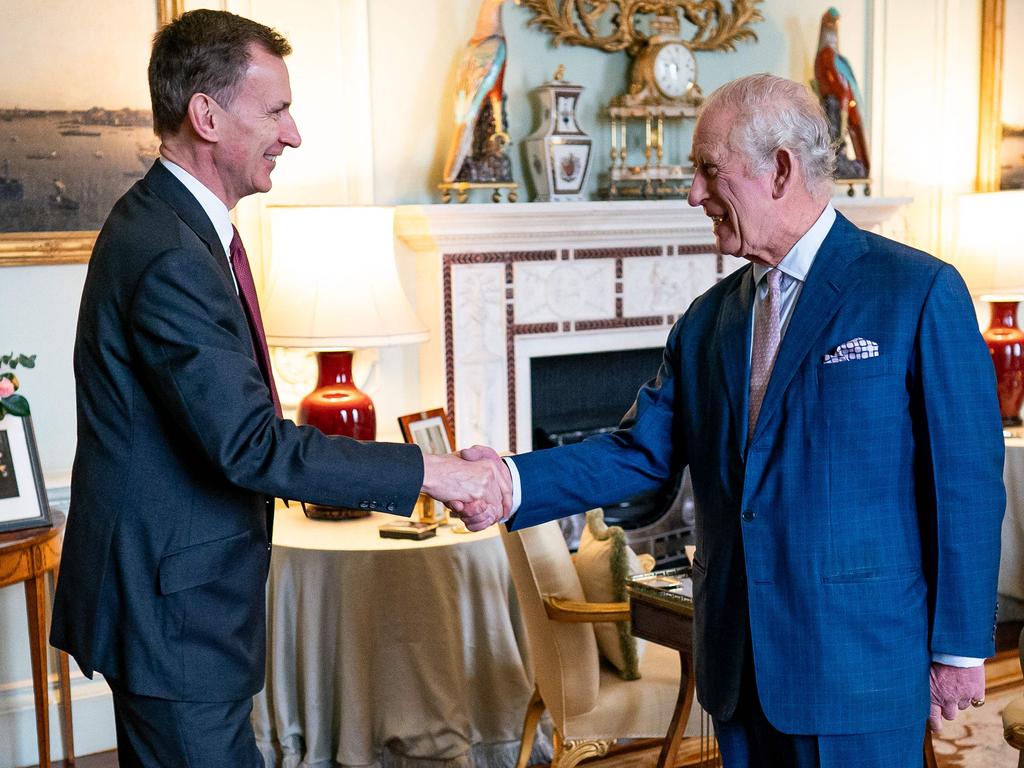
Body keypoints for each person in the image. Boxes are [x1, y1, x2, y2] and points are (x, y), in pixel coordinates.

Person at [464, 73, 1005, 767]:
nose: (693, 193)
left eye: (708, 170)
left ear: (779, 169)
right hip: (738, 664)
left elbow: (966, 483)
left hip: (859, 665)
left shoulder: (918, 291)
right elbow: (640, 453)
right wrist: (508, 480)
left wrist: (958, 647)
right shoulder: (709, 319)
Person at [50, 10, 507, 766]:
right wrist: (436, 471)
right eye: (276, 110)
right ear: (206, 114)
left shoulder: (177, 228)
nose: (292, 135)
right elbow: (250, 444)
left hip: (177, 604)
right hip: (174, 616)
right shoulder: (169, 253)